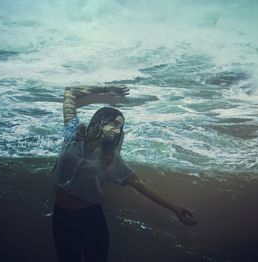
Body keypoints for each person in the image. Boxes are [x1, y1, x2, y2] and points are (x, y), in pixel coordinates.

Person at [51, 85, 197, 262]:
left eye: (120, 127)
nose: (118, 130)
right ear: (100, 120)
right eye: (115, 124)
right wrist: (107, 88)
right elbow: (70, 93)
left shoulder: (111, 159)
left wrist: (176, 209)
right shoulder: (72, 133)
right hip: (61, 219)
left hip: (90, 220)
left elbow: (140, 186)